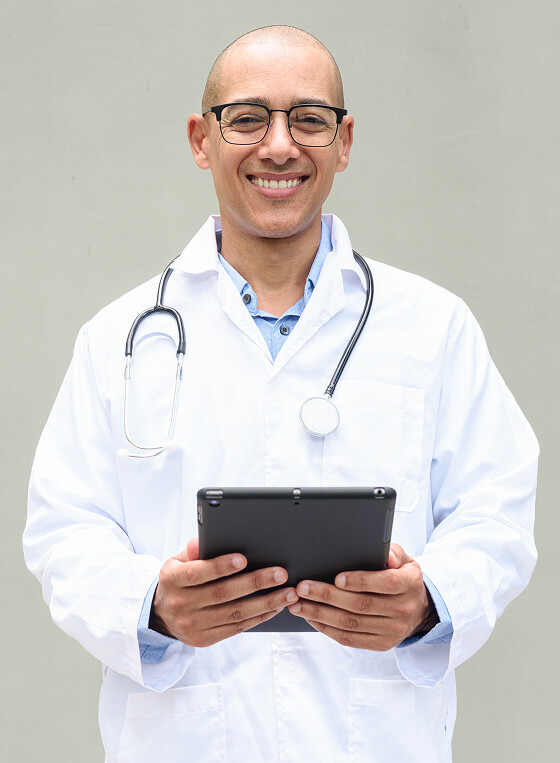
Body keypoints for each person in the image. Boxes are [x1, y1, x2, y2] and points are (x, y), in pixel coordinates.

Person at [23, 25, 538, 763]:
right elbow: (63, 531)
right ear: (202, 139)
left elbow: (496, 513)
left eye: (308, 118)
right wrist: (153, 603)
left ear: (344, 140)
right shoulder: (122, 338)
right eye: (247, 118)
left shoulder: (432, 326)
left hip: (376, 739)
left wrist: (429, 599)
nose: (279, 145)